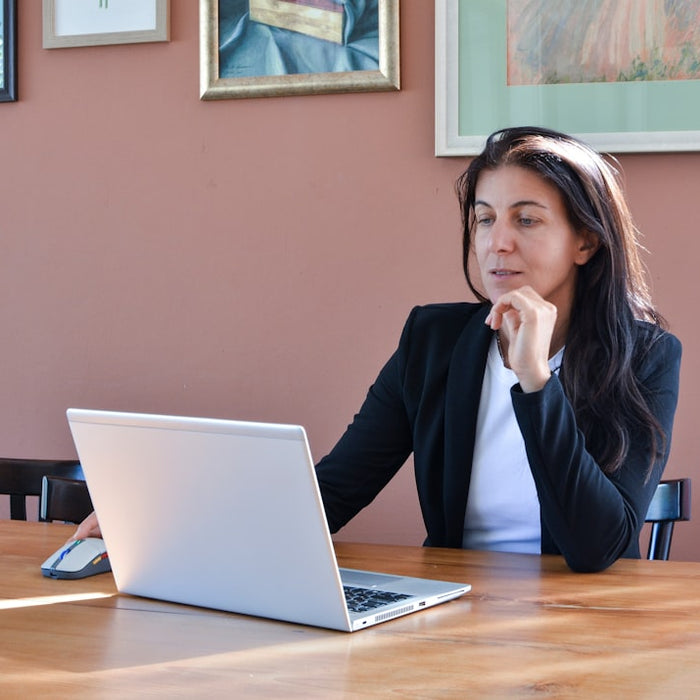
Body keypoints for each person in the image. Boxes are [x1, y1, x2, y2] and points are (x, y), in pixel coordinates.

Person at [72, 126, 681, 573]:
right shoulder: (433, 341)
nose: (497, 244)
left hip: (586, 624)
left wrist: (535, 384)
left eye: (526, 221)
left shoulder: (648, 358)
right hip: (454, 614)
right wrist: (165, 529)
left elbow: (597, 547)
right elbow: (333, 492)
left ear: (586, 243)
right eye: (484, 219)